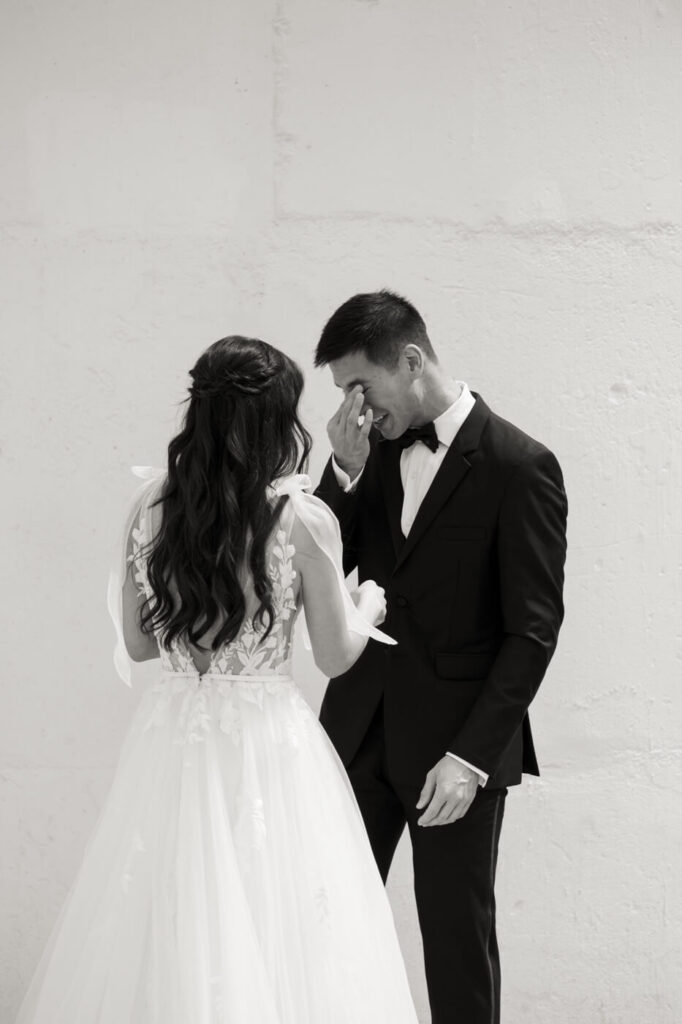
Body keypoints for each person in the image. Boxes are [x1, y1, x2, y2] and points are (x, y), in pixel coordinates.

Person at [14, 335, 420, 1024]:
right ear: (275, 423)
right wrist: (368, 606)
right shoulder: (300, 518)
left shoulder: (148, 507)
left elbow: (142, 645)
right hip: (267, 747)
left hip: (171, 741)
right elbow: (334, 654)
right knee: (277, 924)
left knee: (169, 915)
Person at [314, 290, 568, 1024]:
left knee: (456, 940)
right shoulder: (374, 448)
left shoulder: (521, 466)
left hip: (452, 758)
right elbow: (333, 562)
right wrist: (347, 466)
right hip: (358, 733)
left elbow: (533, 631)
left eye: (361, 385)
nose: (354, 405)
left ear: (412, 360)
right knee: (326, 926)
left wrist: (471, 757)